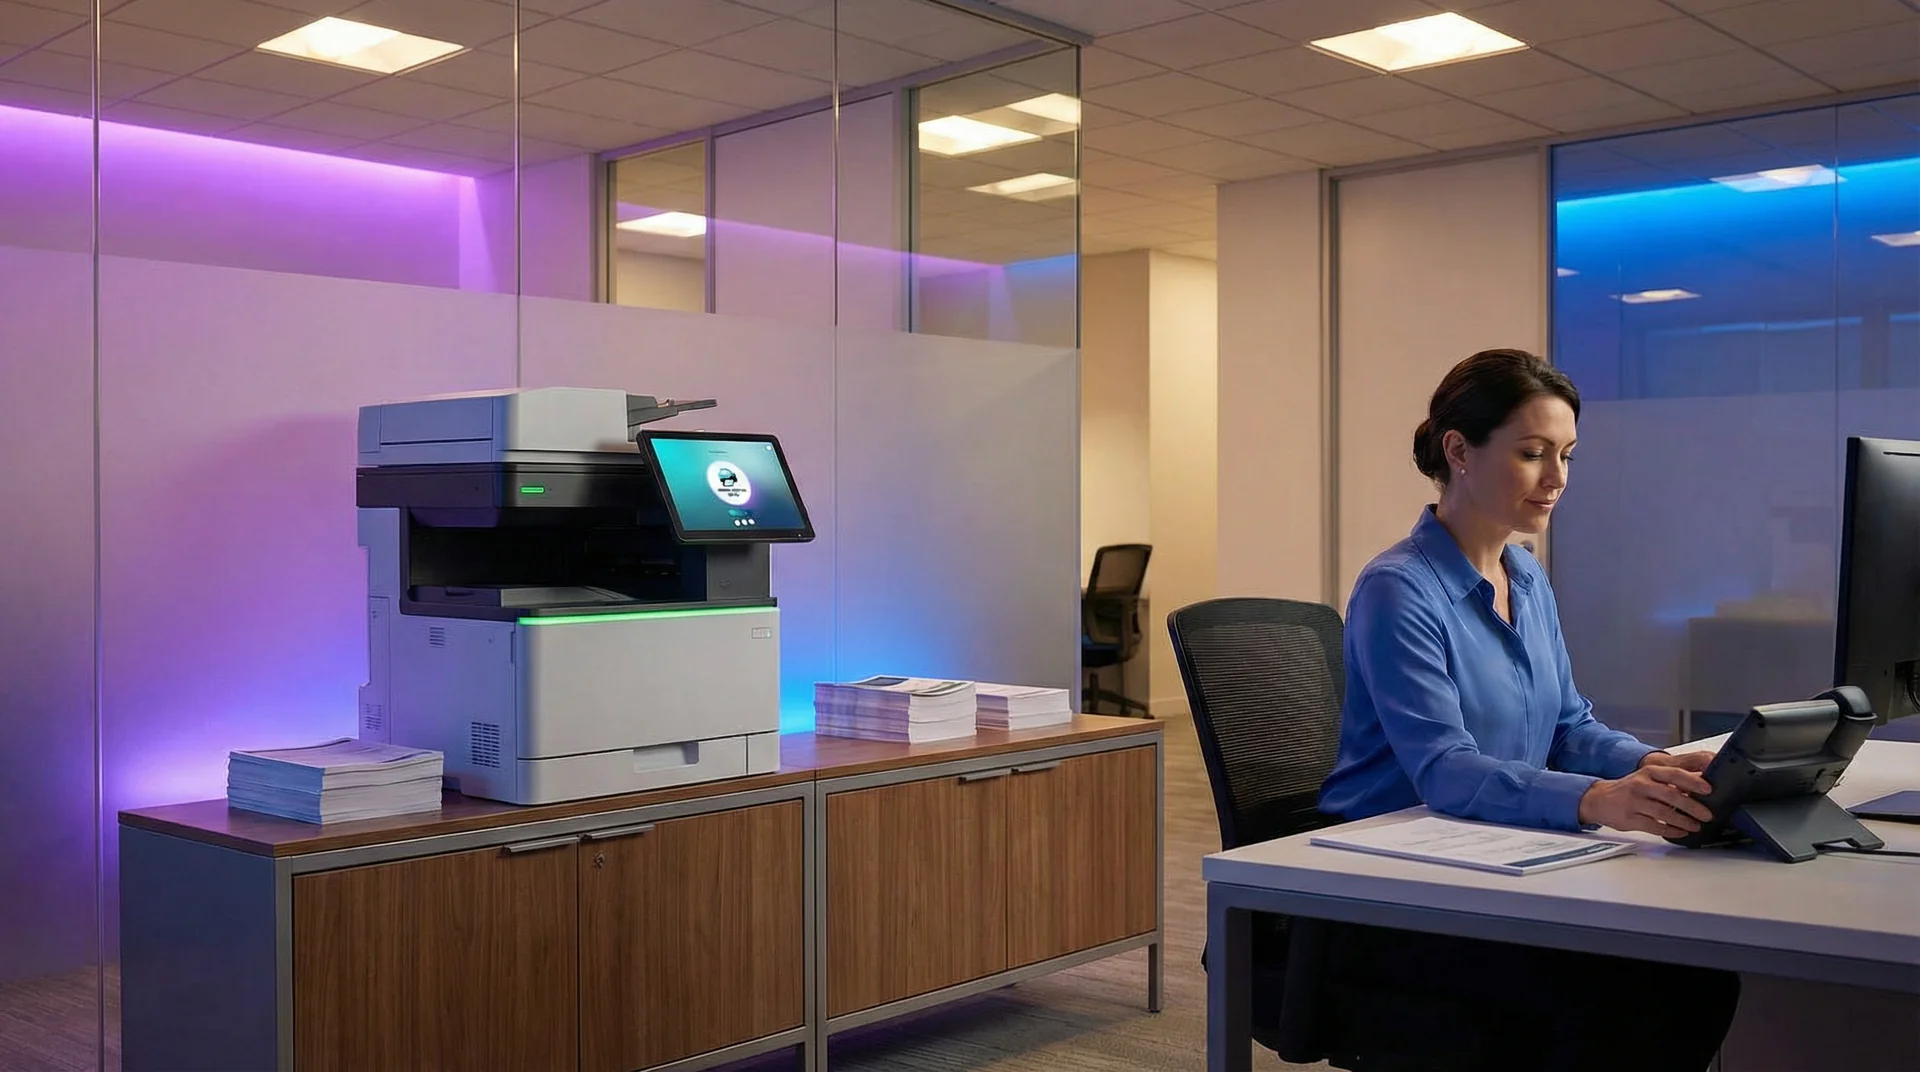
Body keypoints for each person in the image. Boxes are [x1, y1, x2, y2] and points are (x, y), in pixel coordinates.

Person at [1306, 349, 1741, 1072]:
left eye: (1566, 455)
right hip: (1396, 893)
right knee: (1643, 994)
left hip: (1493, 862)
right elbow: (1445, 772)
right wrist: (1602, 801)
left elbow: (1568, 726)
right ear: (1459, 451)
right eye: (1533, 453)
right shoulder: (1398, 589)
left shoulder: (1526, 574)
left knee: (1691, 977)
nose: (1557, 479)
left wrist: (1652, 767)